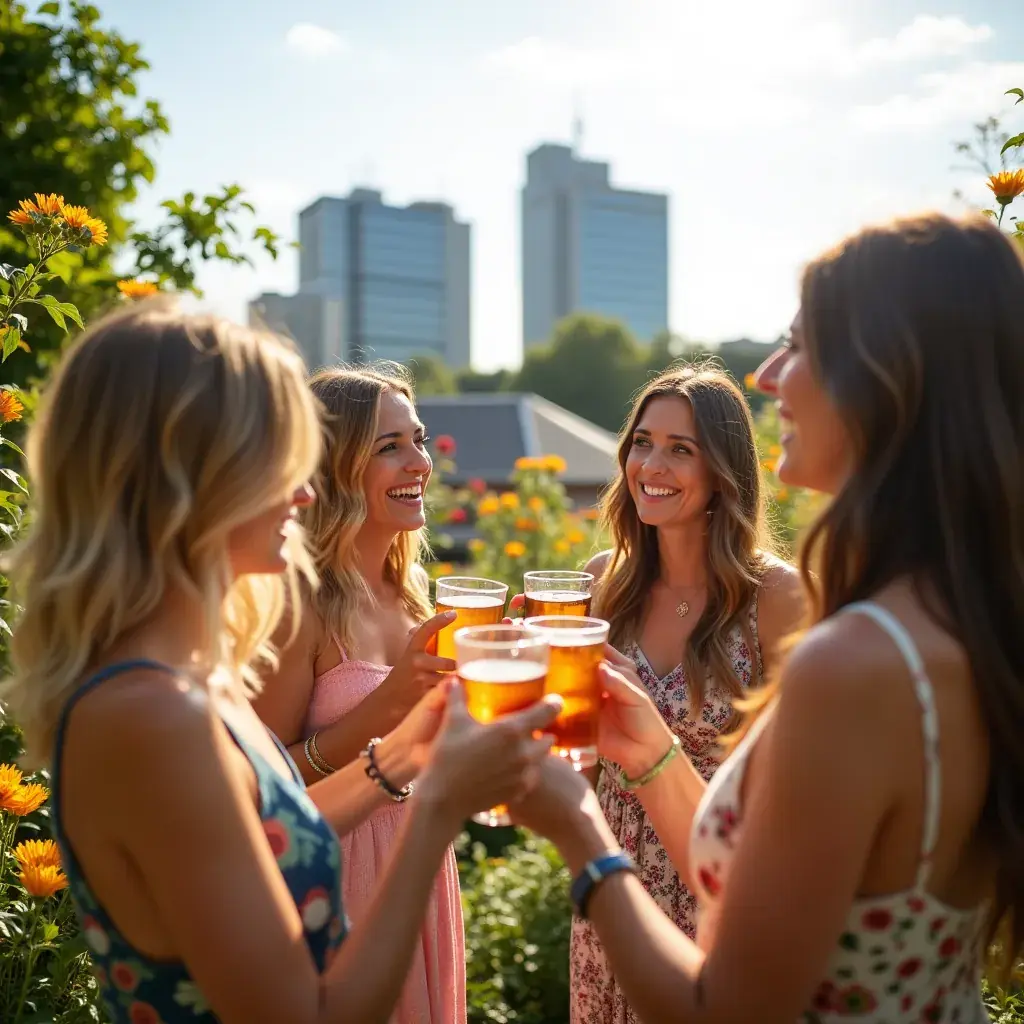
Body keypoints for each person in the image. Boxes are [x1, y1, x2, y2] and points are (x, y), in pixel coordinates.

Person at [512, 213, 1022, 1022]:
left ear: (890, 376)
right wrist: (644, 750)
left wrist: (579, 833)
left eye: (799, 344)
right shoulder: (952, 617)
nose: (768, 375)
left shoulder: (851, 659)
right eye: (643, 443)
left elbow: (731, 1009)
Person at [4, 301, 559, 1024]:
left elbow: (271, 834)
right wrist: (439, 809)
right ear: (183, 476)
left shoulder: (186, 679)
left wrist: (413, 747)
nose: (305, 490)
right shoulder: (150, 715)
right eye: (277, 457)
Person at [561, 365, 804, 1024]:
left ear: (722, 472)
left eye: (680, 449)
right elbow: (579, 767)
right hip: (613, 900)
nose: (652, 465)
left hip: (718, 900)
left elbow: (795, 796)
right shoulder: (602, 584)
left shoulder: (775, 598)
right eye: (642, 442)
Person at [254, 363, 465, 1024]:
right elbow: (263, 790)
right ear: (334, 469)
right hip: (337, 876)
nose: (420, 463)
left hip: (419, 867)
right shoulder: (298, 605)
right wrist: (387, 706)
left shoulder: (414, 596)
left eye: (418, 440)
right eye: (389, 447)